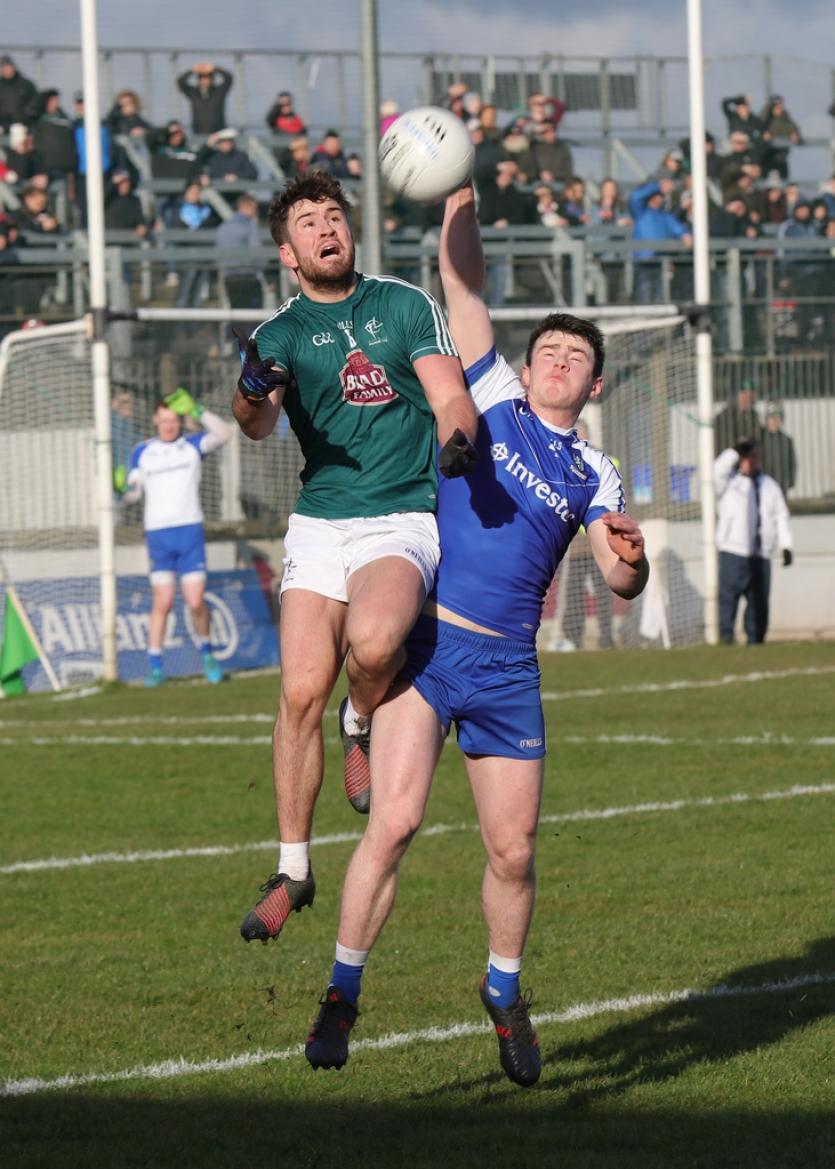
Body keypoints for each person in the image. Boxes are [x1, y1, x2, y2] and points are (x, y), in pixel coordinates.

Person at [303, 182, 649, 1086]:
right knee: (397, 820)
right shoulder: (490, 394)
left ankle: (502, 991)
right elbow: (463, 294)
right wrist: (457, 197)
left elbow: (617, 580)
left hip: (506, 670)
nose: (558, 363)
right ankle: (342, 991)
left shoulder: (596, 468)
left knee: (513, 848)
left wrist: (631, 557)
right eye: (549, 351)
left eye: (575, 356)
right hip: (432, 649)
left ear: (593, 381)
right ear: (527, 368)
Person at [231, 171, 478, 944]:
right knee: (299, 688)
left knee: (373, 645)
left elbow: (449, 396)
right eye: (308, 222)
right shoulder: (275, 334)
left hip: (400, 517)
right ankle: (293, 870)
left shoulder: (402, 304)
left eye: (333, 215)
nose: (326, 228)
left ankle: (361, 714)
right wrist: (247, 388)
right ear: (287, 251)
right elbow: (257, 424)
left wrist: (459, 439)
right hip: (319, 523)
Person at [120, 388, 231, 685]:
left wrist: (197, 411)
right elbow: (133, 493)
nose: (170, 425)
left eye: (174, 419)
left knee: (195, 601)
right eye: (164, 419)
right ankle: (155, 665)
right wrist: (120, 489)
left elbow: (224, 434)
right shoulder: (142, 452)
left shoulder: (192, 445)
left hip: (189, 532)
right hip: (158, 535)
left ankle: (207, 654)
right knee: (163, 601)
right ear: (155, 419)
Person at [715, 438, 793, 645]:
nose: (751, 461)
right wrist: (734, 451)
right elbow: (716, 471)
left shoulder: (769, 486)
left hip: (761, 554)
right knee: (729, 598)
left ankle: (756, 641)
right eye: (747, 457)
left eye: (755, 457)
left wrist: (786, 545)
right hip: (733, 551)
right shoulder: (729, 482)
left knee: (758, 603)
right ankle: (726, 639)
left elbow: (780, 516)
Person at [628, 178, 692, 304]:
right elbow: (635, 197)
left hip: (661, 263)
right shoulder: (641, 212)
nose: (658, 199)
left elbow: (677, 227)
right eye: (655, 196)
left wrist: (685, 234)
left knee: (659, 298)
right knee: (644, 297)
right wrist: (657, 186)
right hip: (644, 262)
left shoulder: (665, 216)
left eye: (660, 196)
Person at [215, 192, 263, 310]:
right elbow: (258, 253)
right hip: (248, 276)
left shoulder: (223, 227)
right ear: (250, 207)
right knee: (252, 315)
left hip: (228, 275)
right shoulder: (249, 226)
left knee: (235, 312)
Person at [177, 62, 233, 136]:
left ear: (212, 80)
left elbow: (229, 77)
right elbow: (180, 82)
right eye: (203, 78)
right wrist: (192, 70)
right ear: (199, 80)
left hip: (218, 132)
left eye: (208, 78)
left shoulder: (219, 92)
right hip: (199, 132)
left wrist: (214, 68)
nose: (205, 81)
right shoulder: (193, 93)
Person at [713, 381, 764, 456]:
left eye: (751, 395)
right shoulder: (723, 419)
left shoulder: (754, 416)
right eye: (744, 394)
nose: (748, 398)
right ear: (736, 396)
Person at [760, 404, 797, 496]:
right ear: (766, 419)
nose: (775, 421)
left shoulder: (786, 440)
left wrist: (791, 480)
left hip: (781, 484)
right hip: (763, 484)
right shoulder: (760, 438)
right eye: (772, 417)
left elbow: (792, 461)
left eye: (778, 417)